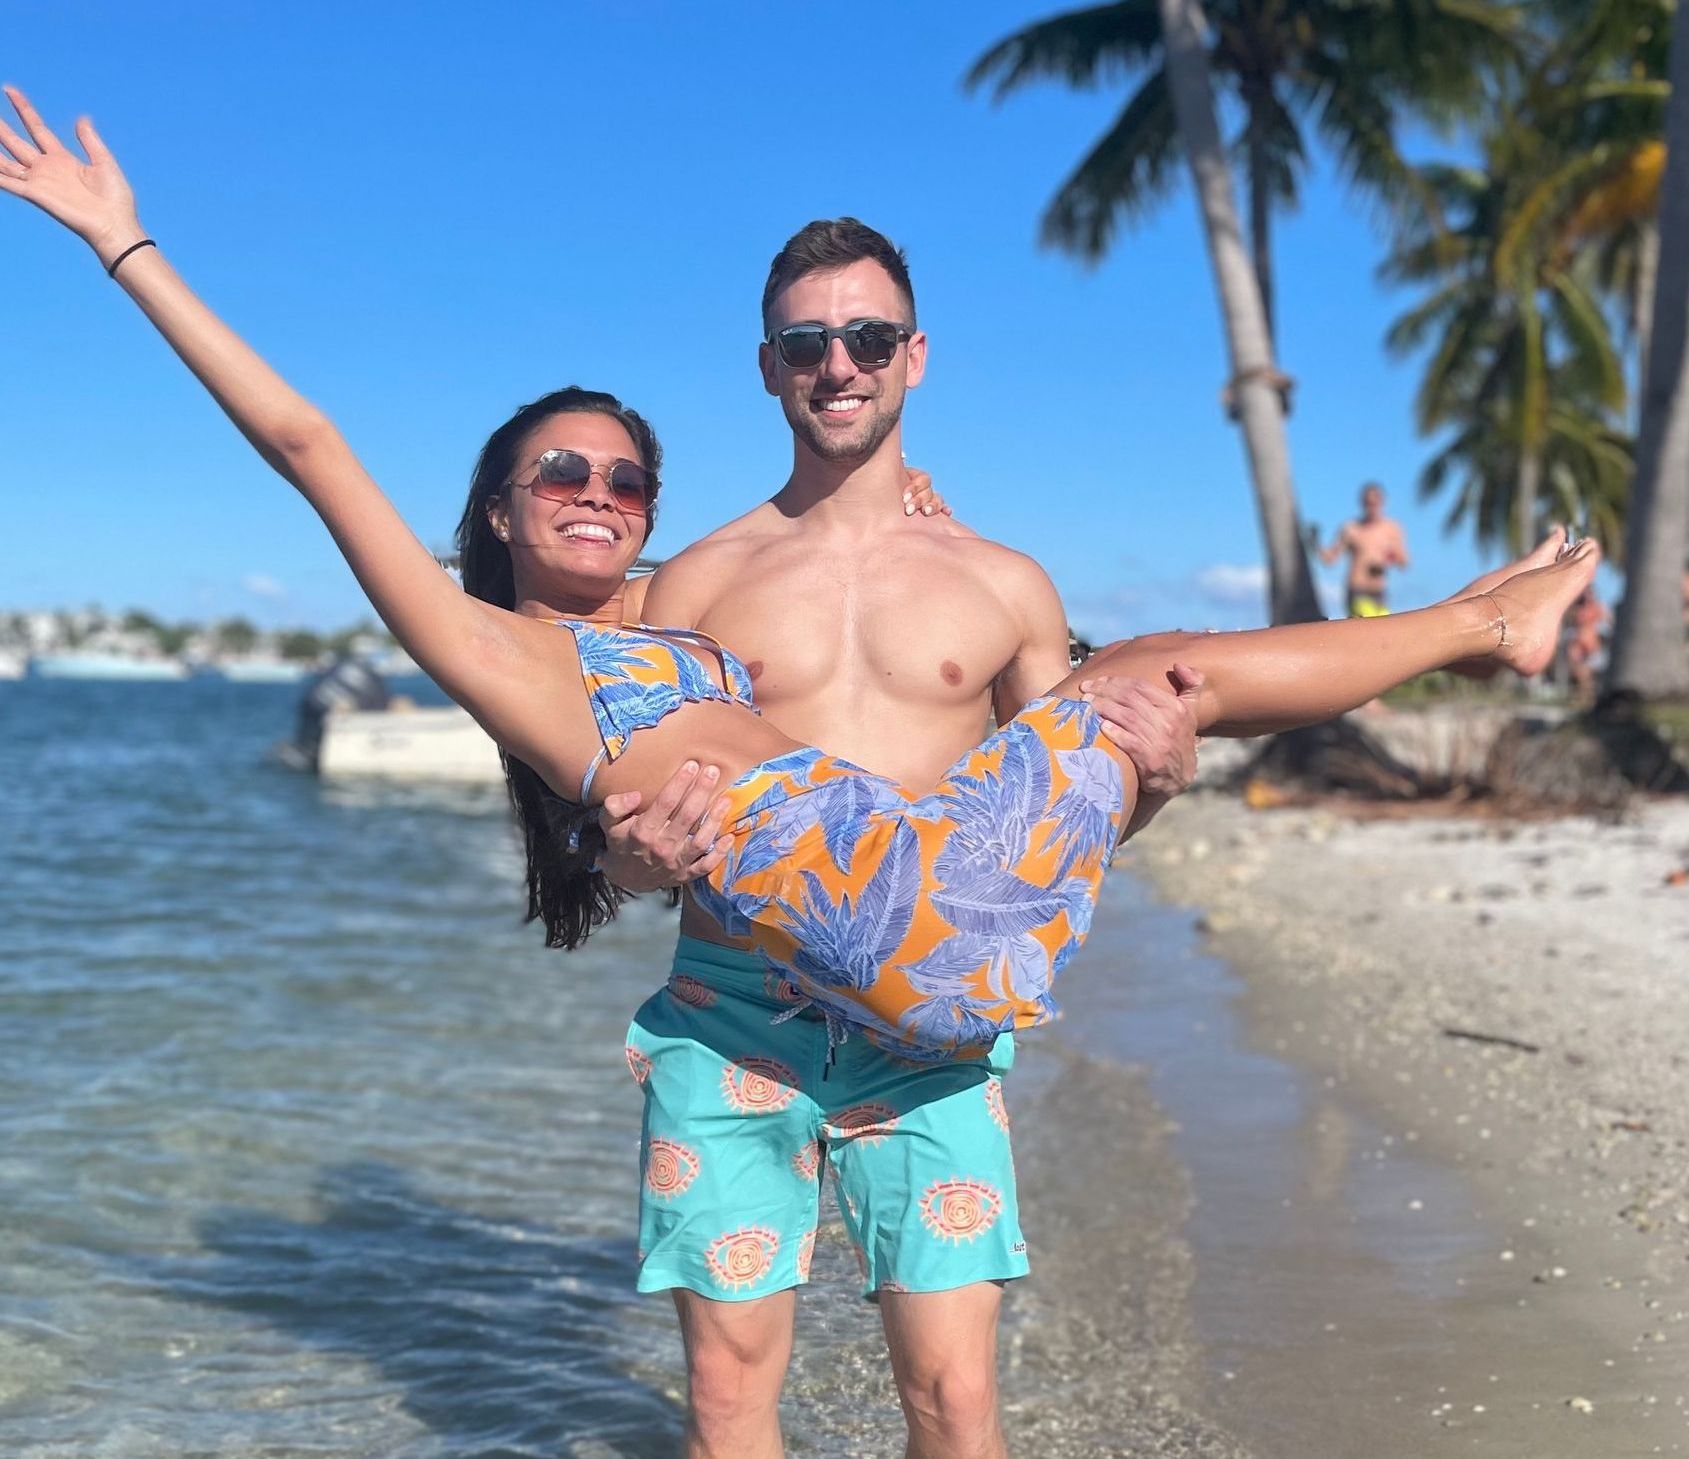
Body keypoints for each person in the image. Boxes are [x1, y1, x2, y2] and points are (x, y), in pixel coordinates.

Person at [0, 91, 1601, 1459]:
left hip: (940, 962)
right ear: (495, 506)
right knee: (726, 1402)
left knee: (1159, 685)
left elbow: (1087, 794)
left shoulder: (804, 593)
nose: (595, 494)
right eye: (558, 472)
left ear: (912, 354)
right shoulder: (562, 625)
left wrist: (1153, 771)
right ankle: (1477, 623)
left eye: (620, 476)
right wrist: (124, 244)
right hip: (758, 1013)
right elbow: (309, 447)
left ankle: (1477, 622)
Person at [1321, 481, 1411, 617]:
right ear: (1362, 504)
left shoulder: (1392, 528)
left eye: (1375, 503)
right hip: (1357, 590)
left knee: (1383, 631)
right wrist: (1316, 545)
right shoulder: (1351, 528)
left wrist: (1390, 557)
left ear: (1383, 503)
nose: (1372, 507)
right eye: (1368, 503)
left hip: (1380, 592)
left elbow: (1404, 562)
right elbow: (1330, 559)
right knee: (1368, 623)